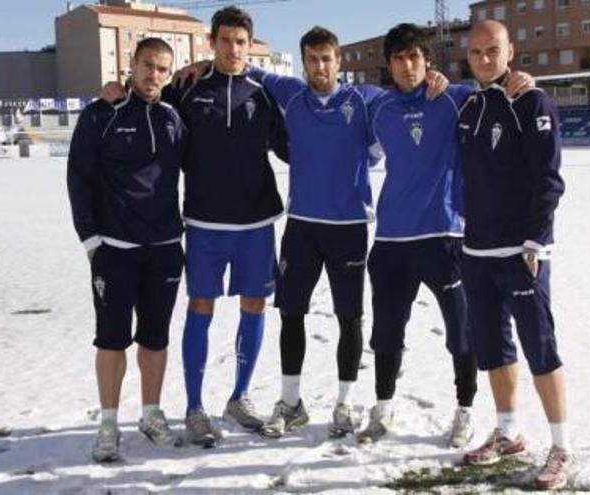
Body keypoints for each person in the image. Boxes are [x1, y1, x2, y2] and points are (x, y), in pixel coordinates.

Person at [168, 27, 449, 440]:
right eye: (313, 60)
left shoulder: (366, 99)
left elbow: (409, 90)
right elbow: (248, 67)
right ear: (304, 63)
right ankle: (290, 402)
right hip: (301, 225)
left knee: (349, 318)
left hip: (350, 226)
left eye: (327, 59)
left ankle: (343, 402)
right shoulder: (290, 93)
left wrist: (435, 80)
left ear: (339, 61)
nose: (320, 67)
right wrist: (204, 64)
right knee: (291, 314)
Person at [104, 7, 289, 448]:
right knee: (200, 309)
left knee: (255, 307)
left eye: (241, 41)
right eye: (225, 40)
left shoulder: (264, 95)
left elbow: (290, 147)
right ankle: (194, 407)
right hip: (204, 222)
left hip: (256, 222)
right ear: (211, 42)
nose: (233, 49)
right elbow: (147, 100)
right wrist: (116, 89)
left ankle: (240, 397)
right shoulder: (187, 89)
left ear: (250, 45)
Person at [357, 23, 533, 446]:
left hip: (447, 235)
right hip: (392, 239)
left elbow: (497, 87)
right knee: (386, 331)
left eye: (414, 57)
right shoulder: (377, 109)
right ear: (388, 64)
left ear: (428, 61)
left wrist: (519, 79)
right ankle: (382, 409)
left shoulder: (454, 98)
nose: (407, 65)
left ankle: (464, 411)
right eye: (398, 58)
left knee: (461, 330)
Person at [457, 20, 570, 490]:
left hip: (521, 251)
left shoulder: (531, 101)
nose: (485, 59)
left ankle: (561, 446)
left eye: (493, 50)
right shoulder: (468, 106)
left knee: (539, 346)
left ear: (511, 50)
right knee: (492, 348)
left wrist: (536, 241)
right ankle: (507, 432)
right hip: (476, 250)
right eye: (477, 52)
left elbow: (549, 179)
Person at [67, 37, 186, 463]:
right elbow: (78, 177)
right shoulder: (102, 114)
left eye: (162, 69)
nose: (153, 75)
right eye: (147, 66)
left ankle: (151, 414)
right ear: (131, 66)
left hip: (166, 247)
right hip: (115, 249)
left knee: (155, 339)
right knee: (112, 340)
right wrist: (91, 241)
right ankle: (107, 424)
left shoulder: (174, 118)